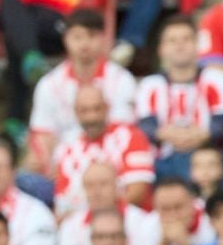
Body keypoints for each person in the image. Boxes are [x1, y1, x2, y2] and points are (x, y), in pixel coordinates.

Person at [26, 8, 137, 176]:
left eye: (91, 36)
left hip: (111, 169)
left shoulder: (122, 80)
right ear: (65, 39)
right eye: (77, 37)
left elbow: (124, 133)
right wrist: (49, 167)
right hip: (60, 170)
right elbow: (42, 135)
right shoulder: (49, 84)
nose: (84, 44)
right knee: (23, 179)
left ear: (103, 38)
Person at [137, 17, 223, 184]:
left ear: (198, 46)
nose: (179, 45)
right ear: (161, 49)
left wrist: (202, 135)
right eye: (172, 40)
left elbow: (222, 123)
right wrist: (166, 134)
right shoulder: (150, 85)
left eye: (186, 39)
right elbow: (146, 126)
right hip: (163, 159)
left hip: (210, 156)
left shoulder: (217, 79)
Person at [44, 83, 155, 215]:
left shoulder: (131, 137)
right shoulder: (67, 149)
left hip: (127, 220)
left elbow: (137, 193)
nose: (92, 117)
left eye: (97, 109)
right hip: (81, 226)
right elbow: (62, 203)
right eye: (84, 110)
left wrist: (98, 218)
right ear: (75, 112)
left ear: (107, 108)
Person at [55, 157, 160, 245]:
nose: (96, 191)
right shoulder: (71, 225)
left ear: (117, 186)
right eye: (90, 185)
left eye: (103, 184)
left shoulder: (143, 221)